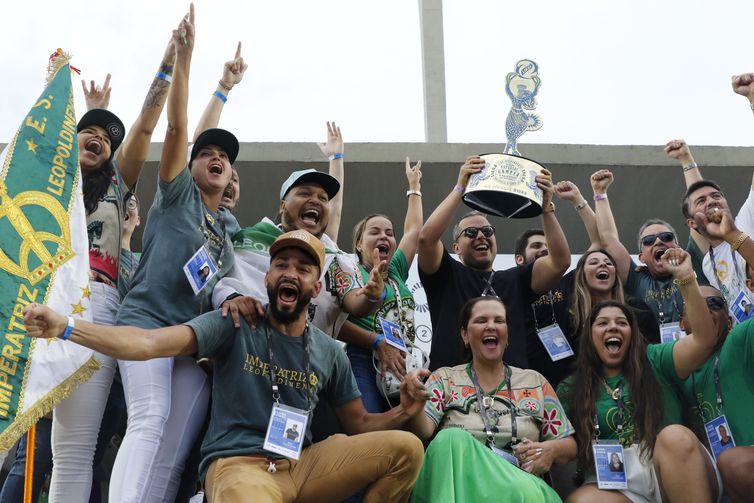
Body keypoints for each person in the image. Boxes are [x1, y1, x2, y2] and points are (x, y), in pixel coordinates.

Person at [23, 231, 427, 503]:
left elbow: (358, 425)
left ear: (316, 288)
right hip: (238, 467)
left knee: (405, 449)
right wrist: (66, 327)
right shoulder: (234, 322)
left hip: (302, 465)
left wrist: (402, 411)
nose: (290, 273)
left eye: (303, 269)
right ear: (267, 276)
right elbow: (147, 343)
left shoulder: (329, 351)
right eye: (282, 264)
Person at [110, 7, 242, 502]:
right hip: (144, 321)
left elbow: (220, 286)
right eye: (209, 154)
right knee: (149, 418)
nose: (218, 160)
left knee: (174, 447)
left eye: (226, 159)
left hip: (187, 342)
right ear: (191, 164)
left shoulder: (226, 228)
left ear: (231, 180)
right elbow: (180, 126)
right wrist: (187, 60)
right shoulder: (176, 193)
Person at [48, 30, 176, 503]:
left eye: (106, 138)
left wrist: (165, 66)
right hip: (51, 303)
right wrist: (63, 93)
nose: (99, 140)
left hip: (101, 303)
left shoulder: (119, 183)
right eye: (90, 133)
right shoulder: (51, 186)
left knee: (97, 440)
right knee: (64, 450)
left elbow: (144, 127)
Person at [558, 248, 721, 502]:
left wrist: (686, 277)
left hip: (672, 466)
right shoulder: (571, 387)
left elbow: (704, 339)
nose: (613, 326)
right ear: (589, 338)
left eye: (622, 323)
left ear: (633, 334)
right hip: (616, 484)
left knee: (673, 436)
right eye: (602, 323)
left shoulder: (655, 358)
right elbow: (562, 443)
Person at [212, 122, 385, 338]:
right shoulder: (247, 236)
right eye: (304, 193)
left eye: (322, 198)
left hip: (303, 364)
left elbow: (355, 302)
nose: (315, 201)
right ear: (283, 205)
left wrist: (373, 295)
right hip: (244, 351)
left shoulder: (332, 258)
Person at [405, 296, 576, 502]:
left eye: (499, 320)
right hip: (461, 487)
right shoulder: (445, 378)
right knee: (449, 440)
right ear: (465, 335)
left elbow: (569, 445)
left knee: (521, 489)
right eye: (481, 320)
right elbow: (423, 431)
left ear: (507, 334)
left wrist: (551, 449)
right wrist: (414, 406)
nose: (491, 326)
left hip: (520, 484)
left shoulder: (535, 381)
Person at [417, 155, 570, 371]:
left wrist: (546, 209)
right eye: (470, 232)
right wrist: (460, 187)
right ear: (456, 248)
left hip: (510, 388)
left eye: (487, 231)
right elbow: (426, 239)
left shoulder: (516, 279)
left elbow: (560, 261)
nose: (481, 236)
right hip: (452, 387)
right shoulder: (446, 274)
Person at [338, 157, 423, 412]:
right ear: (358, 244)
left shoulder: (396, 270)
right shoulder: (347, 269)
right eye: (374, 232)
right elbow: (333, 325)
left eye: (389, 232)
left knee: (409, 427)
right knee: (372, 428)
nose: (384, 236)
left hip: (404, 360)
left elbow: (414, 230)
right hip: (364, 359)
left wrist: (414, 186)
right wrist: (376, 342)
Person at [592, 169, 690, 336]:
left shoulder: (694, 268)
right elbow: (608, 239)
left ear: (677, 247)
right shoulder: (637, 280)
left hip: (695, 354)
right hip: (650, 357)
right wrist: (600, 193)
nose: (658, 241)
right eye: (649, 241)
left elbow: (697, 212)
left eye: (666, 237)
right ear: (642, 257)